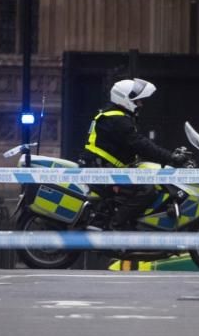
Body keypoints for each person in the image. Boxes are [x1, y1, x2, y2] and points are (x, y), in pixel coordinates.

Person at [78, 78, 189, 230]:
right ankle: (116, 226)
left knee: (147, 177)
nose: (140, 105)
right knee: (147, 190)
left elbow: (132, 147)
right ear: (125, 99)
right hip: (103, 173)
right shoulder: (117, 119)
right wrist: (170, 157)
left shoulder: (113, 116)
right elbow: (141, 145)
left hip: (104, 169)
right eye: (138, 101)